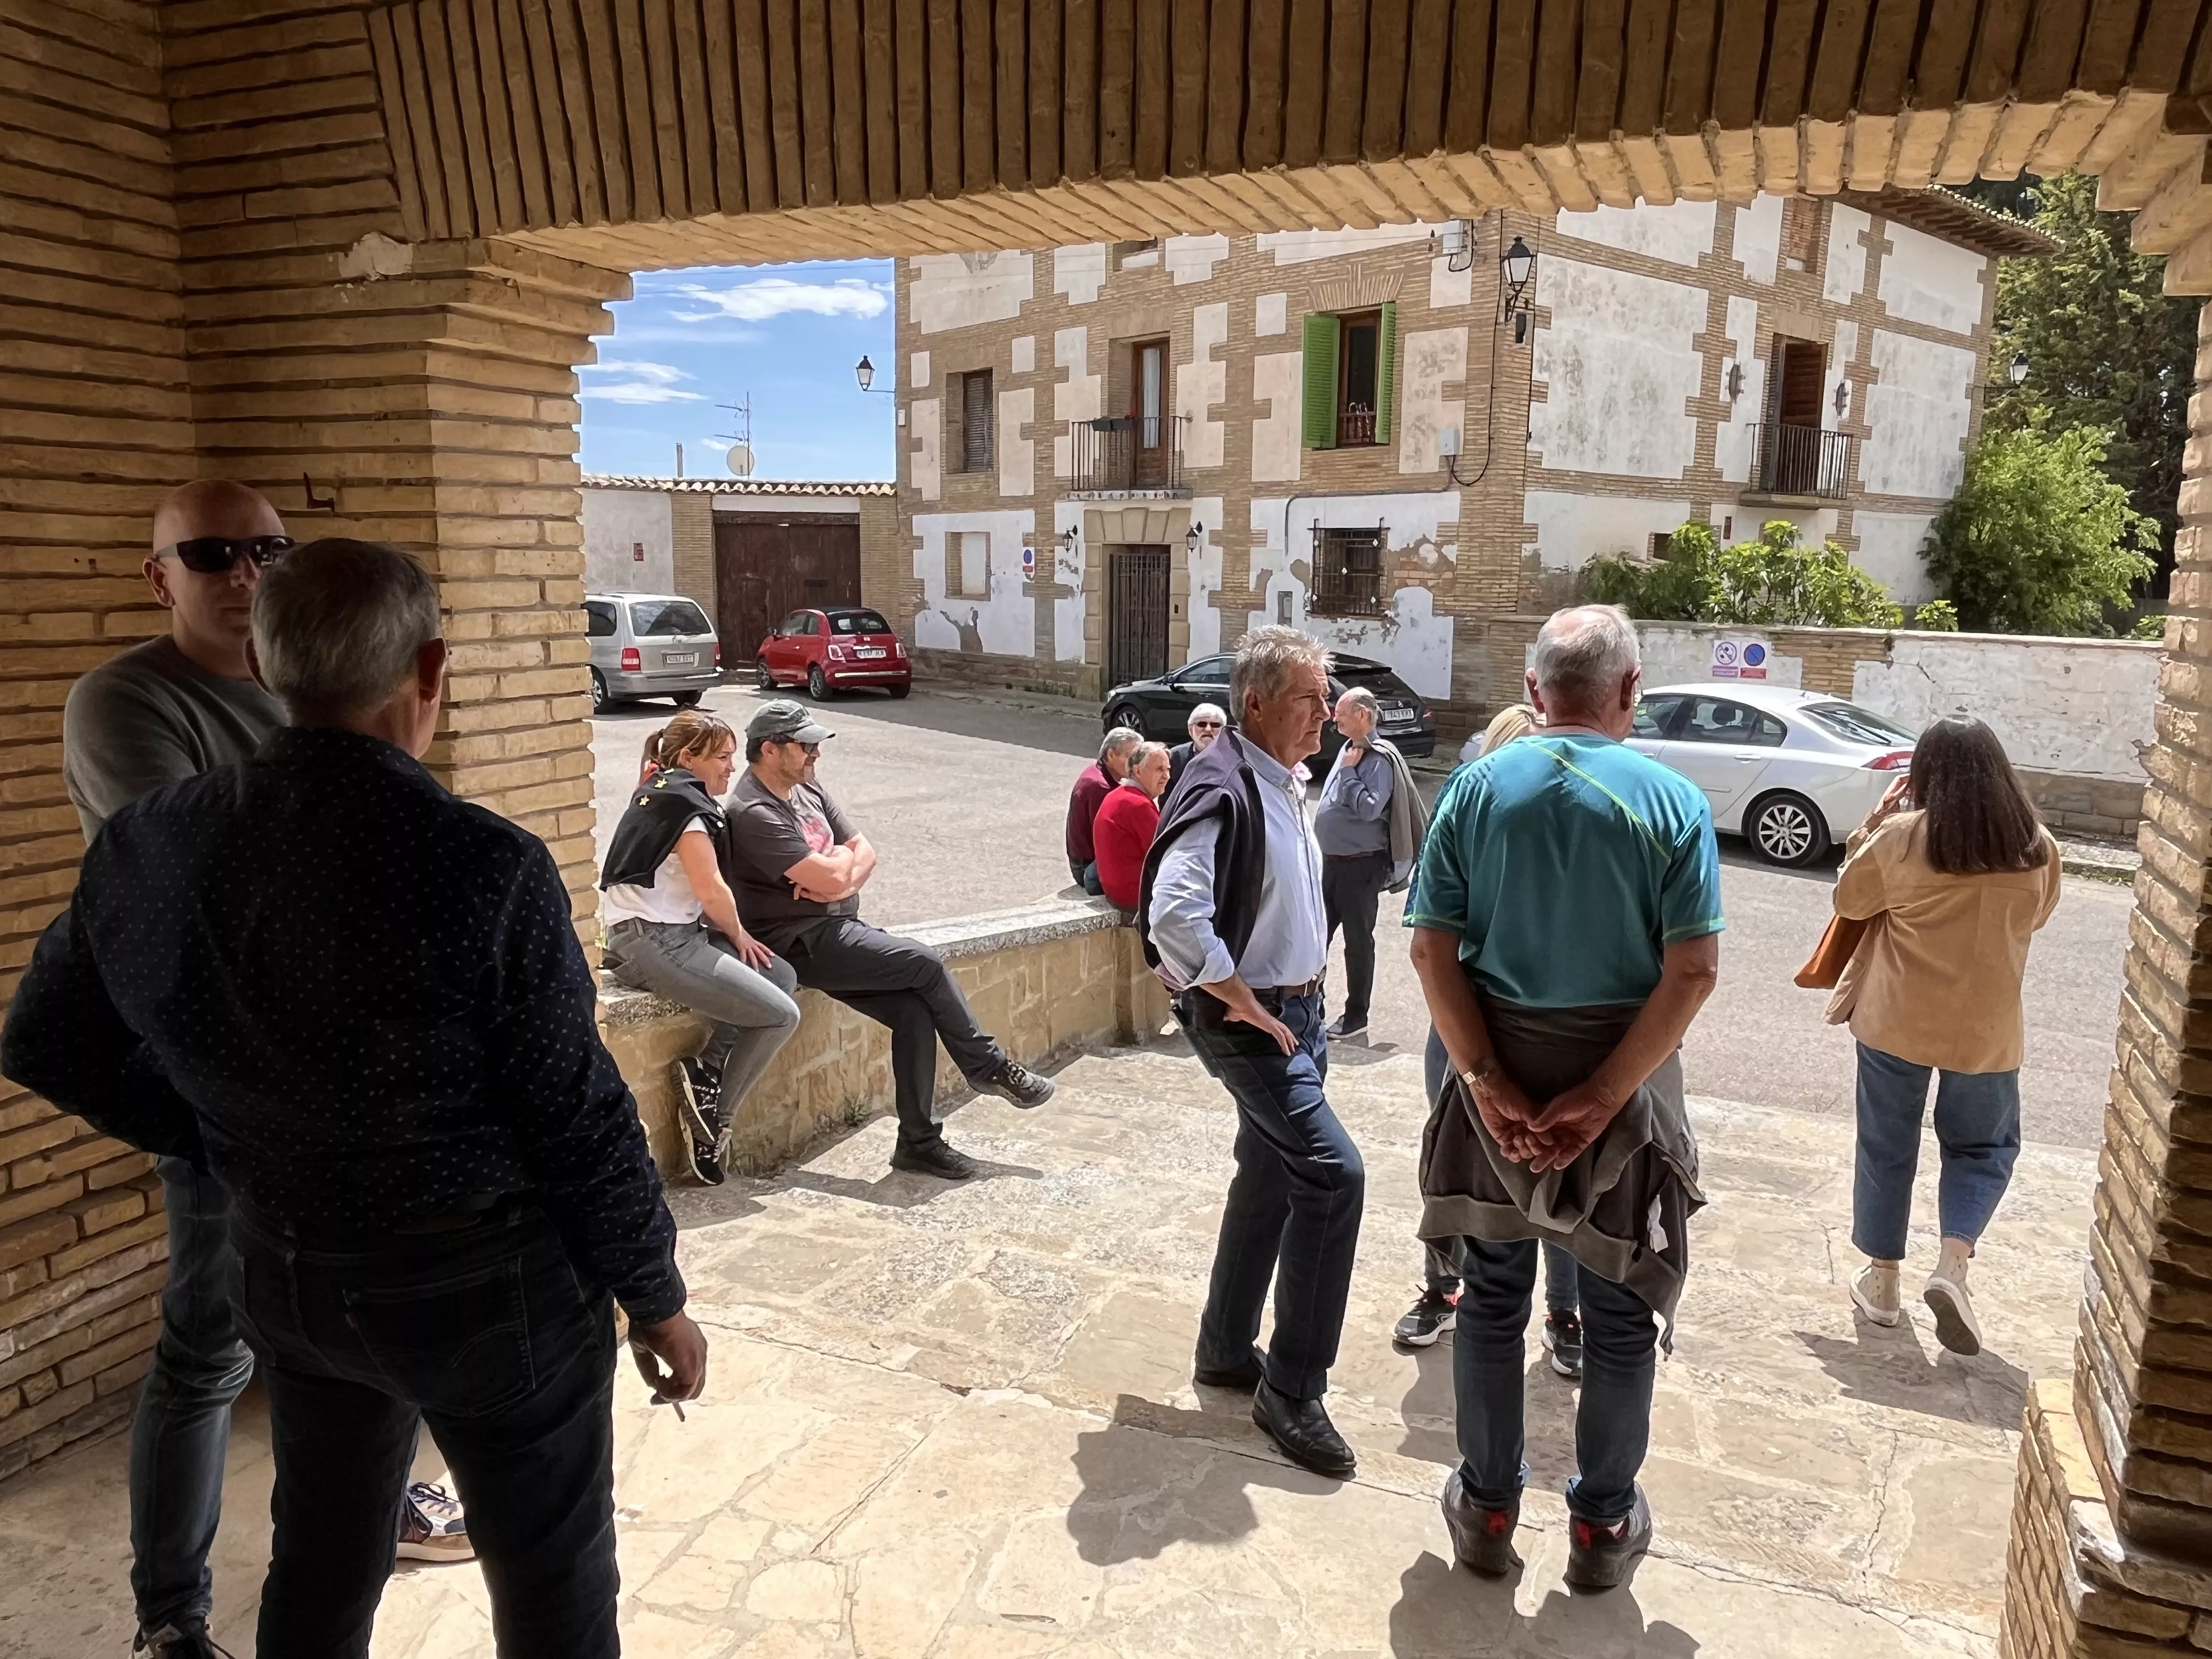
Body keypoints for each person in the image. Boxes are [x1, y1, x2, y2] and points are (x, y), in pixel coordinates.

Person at [4, 539, 704, 1657]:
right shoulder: (482, 864)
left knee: (324, 1553)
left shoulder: (152, 841)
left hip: (287, 1275)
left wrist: (226, 1133)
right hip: (485, 1295)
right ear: (429, 670)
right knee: (551, 1579)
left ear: (266, 664)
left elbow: (45, 1039)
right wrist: (656, 1296)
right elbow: (573, 1118)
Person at [54, 486, 467, 1659]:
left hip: (347, 1086)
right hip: (224, 1090)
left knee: (347, 1319)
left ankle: (373, 1506)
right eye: (213, 552)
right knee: (209, 1345)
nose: (247, 570)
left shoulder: (297, 699)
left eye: (272, 550)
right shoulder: (128, 703)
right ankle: (170, 1617)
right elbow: (218, 881)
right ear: (160, 576)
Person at [1408, 605, 1722, 1592]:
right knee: (1622, 1312)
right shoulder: (1671, 801)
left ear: (1535, 693)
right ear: (1629, 689)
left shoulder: (1471, 790)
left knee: (1493, 1300)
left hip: (1495, 1072)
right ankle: (1601, 1525)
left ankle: (1488, 1509)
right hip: (1622, 1097)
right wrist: (1599, 1092)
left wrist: (1486, 1081)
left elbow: (1428, 947)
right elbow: (1693, 971)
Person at [1140, 626, 1365, 1480]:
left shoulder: (1285, 778)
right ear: (1259, 702)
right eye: (1311, 697)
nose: (1327, 712)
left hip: (1297, 1014)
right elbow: (1173, 911)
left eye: (1328, 696)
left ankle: (1226, 1350)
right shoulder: (1221, 779)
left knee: (1271, 1175)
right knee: (1332, 1177)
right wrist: (1236, 994)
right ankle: (1293, 1390)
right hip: (1254, 1023)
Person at [723, 699, 1057, 1180]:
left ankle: (919, 1144)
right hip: (803, 942)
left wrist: (836, 878)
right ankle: (988, 1066)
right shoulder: (753, 811)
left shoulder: (807, 789)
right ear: (771, 750)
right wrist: (836, 873)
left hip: (839, 927)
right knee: (924, 963)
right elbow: (844, 863)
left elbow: (865, 851)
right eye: (805, 744)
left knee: (914, 1012)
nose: (816, 752)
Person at [1826, 715, 2059, 1356]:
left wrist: (1871, 827)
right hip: (1987, 1031)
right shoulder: (2036, 846)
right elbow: (2036, 918)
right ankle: (1952, 1265)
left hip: (1896, 1019)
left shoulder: (1906, 837)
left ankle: (1882, 1284)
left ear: (1926, 773)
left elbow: (1849, 900)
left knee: (1887, 1146)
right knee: (1984, 1149)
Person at [1395, 701, 1582, 1379]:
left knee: (1557, 1169)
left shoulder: (1573, 829)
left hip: (1551, 1033)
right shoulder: (1468, 814)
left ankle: (1565, 1313)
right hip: (1465, 1029)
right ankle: (1445, 1289)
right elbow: (1430, 939)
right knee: (1457, 1166)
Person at [601, 708, 803, 1186]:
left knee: (781, 977)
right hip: (653, 942)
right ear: (689, 757)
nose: (732, 768)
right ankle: (715, 1123)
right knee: (782, 1014)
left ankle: (705, 1071)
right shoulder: (686, 810)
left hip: (671, 935)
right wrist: (739, 935)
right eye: (722, 758)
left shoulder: (665, 791)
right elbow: (711, 891)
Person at [1314, 687, 1400, 1040]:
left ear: (1363, 716)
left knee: (1357, 942)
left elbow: (1370, 809)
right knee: (1317, 936)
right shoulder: (1348, 749)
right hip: (1333, 863)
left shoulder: (1378, 759)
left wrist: (1349, 774)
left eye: (1343, 712)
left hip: (1361, 867)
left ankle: (1355, 1016)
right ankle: (1310, 1005)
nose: (1335, 716)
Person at [1092, 740, 1170, 910]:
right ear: (1137, 770)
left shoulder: (1119, 794)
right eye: (1159, 769)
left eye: (1167, 769)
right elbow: (1163, 854)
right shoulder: (1138, 805)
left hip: (1115, 890)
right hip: (1134, 896)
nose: (1167, 776)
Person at [1066, 726, 1141, 893]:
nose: (1136, 764)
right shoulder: (1100, 786)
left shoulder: (1102, 774)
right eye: (1131, 757)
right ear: (1111, 755)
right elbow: (1107, 840)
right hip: (1087, 869)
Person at [1167, 701, 1228, 795]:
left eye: (1215, 725)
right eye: (1202, 724)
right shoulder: (1176, 757)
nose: (1208, 729)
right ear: (1190, 729)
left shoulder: (1233, 759)